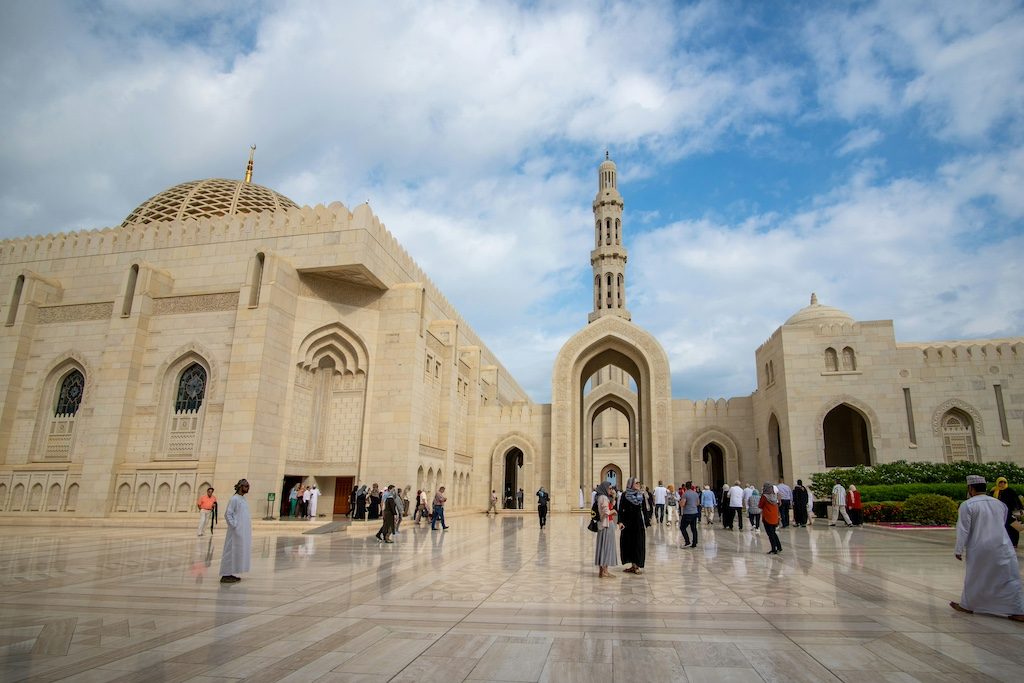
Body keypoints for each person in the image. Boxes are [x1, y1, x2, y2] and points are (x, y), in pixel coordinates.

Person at [950, 475, 1024, 621]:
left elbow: (963, 529)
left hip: (980, 547)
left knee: (975, 577)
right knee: (1009, 578)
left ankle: (968, 605)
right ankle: (1018, 610)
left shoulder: (968, 505)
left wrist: (958, 549)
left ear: (970, 488)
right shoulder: (999, 504)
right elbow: (1001, 523)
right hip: (1003, 546)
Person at [219, 479, 252, 583]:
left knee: (237, 552)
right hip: (235, 532)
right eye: (246, 486)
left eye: (248, 486)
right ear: (240, 487)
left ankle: (230, 573)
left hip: (241, 532)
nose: (247, 488)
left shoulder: (242, 499)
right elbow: (228, 514)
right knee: (230, 552)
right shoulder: (234, 499)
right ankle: (225, 574)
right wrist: (235, 526)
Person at [618, 477, 647, 574]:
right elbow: (621, 509)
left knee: (638, 544)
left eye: (639, 482)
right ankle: (633, 565)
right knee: (629, 544)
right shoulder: (625, 495)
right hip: (628, 524)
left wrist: (647, 520)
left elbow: (645, 509)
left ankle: (637, 565)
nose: (638, 484)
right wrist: (620, 521)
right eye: (636, 483)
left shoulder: (641, 495)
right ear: (631, 484)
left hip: (638, 524)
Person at [594, 481, 618, 578]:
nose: (611, 490)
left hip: (603, 525)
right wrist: (614, 512)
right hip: (607, 525)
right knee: (606, 547)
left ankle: (602, 571)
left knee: (603, 547)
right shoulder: (603, 498)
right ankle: (605, 571)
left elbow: (610, 505)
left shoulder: (602, 497)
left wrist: (614, 497)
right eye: (609, 488)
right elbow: (606, 512)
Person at [991, 476, 1024, 547]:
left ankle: (1014, 543)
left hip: (1010, 513)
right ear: (997, 483)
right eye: (1000, 482)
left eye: (1004, 482)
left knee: (1012, 529)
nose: (1002, 484)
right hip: (998, 513)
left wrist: (1018, 512)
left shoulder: (1010, 491)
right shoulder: (993, 491)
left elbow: (1016, 502)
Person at [759, 482, 782, 555]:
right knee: (773, 532)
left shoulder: (764, 496)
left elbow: (760, 505)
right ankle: (779, 547)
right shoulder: (774, 496)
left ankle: (773, 549)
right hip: (774, 516)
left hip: (767, 517)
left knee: (770, 534)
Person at [679, 482, 699, 548]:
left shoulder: (685, 494)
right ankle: (694, 543)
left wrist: (680, 502)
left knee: (682, 527)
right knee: (694, 528)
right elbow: (698, 503)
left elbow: (682, 504)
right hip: (695, 513)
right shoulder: (695, 493)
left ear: (685, 487)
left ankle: (687, 542)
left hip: (687, 513)